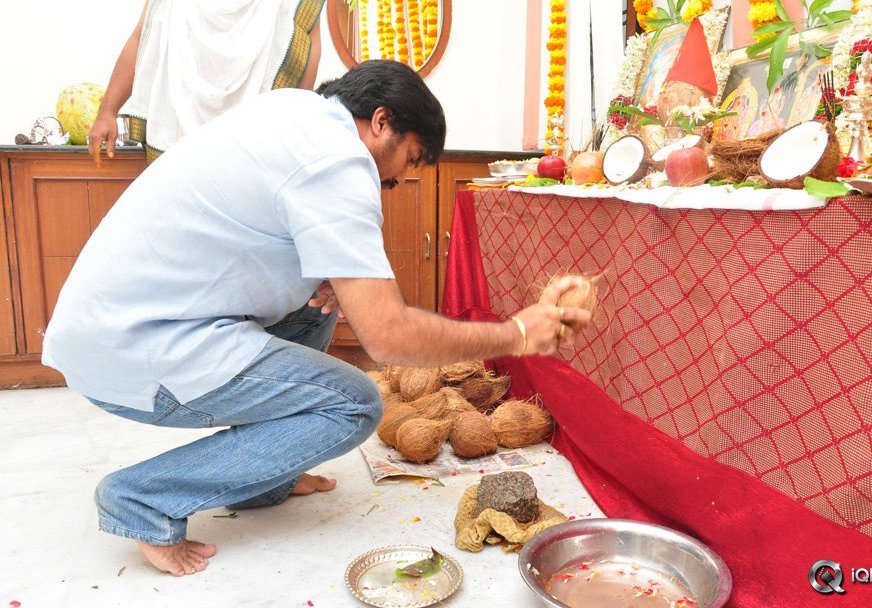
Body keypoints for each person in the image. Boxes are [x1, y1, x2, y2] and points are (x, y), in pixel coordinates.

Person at [42, 60, 592, 577]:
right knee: (354, 405)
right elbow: (389, 336)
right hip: (135, 350)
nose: (397, 182)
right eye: (410, 160)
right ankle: (144, 497)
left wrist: (321, 274)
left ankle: (261, 483)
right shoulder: (338, 163)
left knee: (316, 308)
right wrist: (517, 334)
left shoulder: (295, 111)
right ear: (382, 122)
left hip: (119, 324)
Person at [88, 0, 325, 164]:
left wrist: (298, 130)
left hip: (253, 148)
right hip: (178, 137)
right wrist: (107, 112)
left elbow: (306, 55)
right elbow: (142, 37)